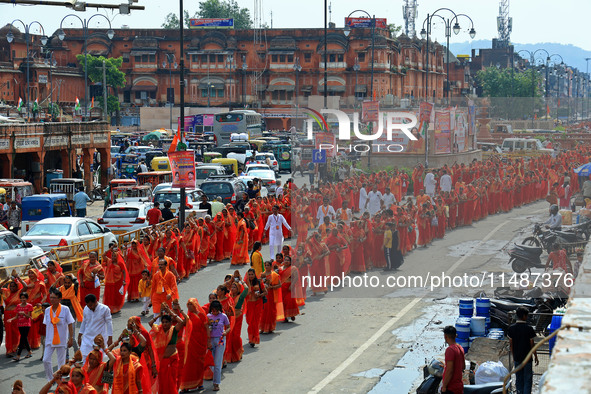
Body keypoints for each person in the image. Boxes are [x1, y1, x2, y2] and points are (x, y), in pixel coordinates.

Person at [149, 304, 187, 394]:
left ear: (170, 323)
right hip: (162, 361)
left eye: (167, 322)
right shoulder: (159, 330)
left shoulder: (173, 330)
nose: (165, 324)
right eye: (163, 322)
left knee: (172, 380)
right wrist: (159, 315)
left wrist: (170, 312)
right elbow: (150, 323)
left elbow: (181, 322)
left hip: (172, 360)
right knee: (162, 381)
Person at [43, 289, 75, 381]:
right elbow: (47, 325)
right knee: (46, 360)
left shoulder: (65, 309)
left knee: (61, 362)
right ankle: (50, 379)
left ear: (59, 299)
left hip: (61, 339)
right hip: (49, 340)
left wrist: (71, 338)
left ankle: (60, 380)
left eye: (54, 298)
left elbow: (70, 324)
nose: (51, 299)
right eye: (51, 297)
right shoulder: (47, 310)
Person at [180, 298, 209, 392]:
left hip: (201, 342)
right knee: (189, 364)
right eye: (188, 304)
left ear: (195, 305)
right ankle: (186, 385)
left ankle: (200, 383)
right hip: (191, 343)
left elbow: (206, 327)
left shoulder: (201, 314)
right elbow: (184, 323)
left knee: (199, 363)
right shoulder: (189, 315)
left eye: (191, 304)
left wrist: (208, 341)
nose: (189, 306)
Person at [507, 307, 539, 394]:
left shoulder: (511, 329)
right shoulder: (529, 328)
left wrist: (514, 357)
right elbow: (532, 345)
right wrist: (535, 356)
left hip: (517, 358)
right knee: (528, 379)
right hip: (527, 359)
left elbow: (511, 345)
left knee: (519, 379)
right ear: (524, 316)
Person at [78, 294, 113, 363]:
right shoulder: (86, 308)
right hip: (87, 338)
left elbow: (109, 323)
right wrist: (79, 335)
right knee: (84, 358)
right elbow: (84, 322)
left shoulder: (104, 309)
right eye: (88, 305)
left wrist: (110, 338)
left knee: (97, 359)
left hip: (99, 339)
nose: (90, 307)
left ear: (96, 302)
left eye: (91, 305)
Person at [207, 300, 230, 392]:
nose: (214, 312)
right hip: (210, 340)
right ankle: (217, 374)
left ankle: (216, 383)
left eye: (216, 310)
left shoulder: (223, 316)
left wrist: (225, 332)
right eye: (213, 310)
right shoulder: (208, 316)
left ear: (219, 309)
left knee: (217, 362)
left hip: (220, 340)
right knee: (210, 362)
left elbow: (228, 327)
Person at [441, 325, 465, 394]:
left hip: (451, 388)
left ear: (445, 336)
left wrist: (444, 386)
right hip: (459, 386)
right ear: (455, 336)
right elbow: (462, 366)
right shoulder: (460, 348)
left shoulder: (450, 350)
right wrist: (446, 366)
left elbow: (450, 370)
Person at [10, 291, 32, 361]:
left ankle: (18, 355)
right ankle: (29, 352)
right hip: (20, 324)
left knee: (22, 339)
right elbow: (16, 316)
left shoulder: (29, 306)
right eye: (21, 298)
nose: (23, 299)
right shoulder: (18, 306)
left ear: (27, 298)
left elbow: (29, 316)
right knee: (24, 339)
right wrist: (11, 319)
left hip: (27, 324)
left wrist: (24, 314)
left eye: (24, 298)